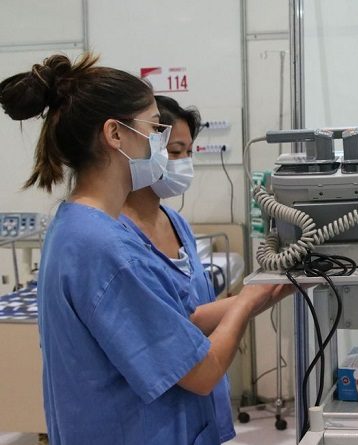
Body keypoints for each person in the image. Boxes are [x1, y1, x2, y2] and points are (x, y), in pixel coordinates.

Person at [0, 53, 290, 445]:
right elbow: (202, 373)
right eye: (155, 130)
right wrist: (243, 305)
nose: (163, 144)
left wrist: (264, 291)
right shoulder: (104, 246)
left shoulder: (76, 227)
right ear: (114, 134)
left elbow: (174, 325)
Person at [118, 95, 236, 443]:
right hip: (156, 413)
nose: (183, 163)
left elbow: (192, 316)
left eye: (188, 152)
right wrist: (246, 304)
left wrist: (265, 291)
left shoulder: (176, 222)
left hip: (200, 406)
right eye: (174, 151)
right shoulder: (116, 236)